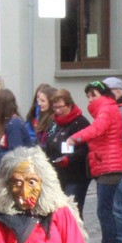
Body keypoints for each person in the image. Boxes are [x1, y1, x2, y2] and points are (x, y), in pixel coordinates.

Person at [67, 81, 122, 243]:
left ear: (102, 95)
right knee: (106, 210)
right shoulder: (107, 108)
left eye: (93, 95)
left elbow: (97, 129)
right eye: (88, 96)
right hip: (106, 164)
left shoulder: (107, 110)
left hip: (110, 166)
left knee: (105, 211)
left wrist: (74, 138)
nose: (90, 100)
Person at [41, 89, 91, 218]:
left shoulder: (80, 122)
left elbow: (85, 150)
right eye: (55, 107)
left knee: (72, 211)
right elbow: (48, 141)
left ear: (69, 105)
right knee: (57, 212)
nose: (57, 111)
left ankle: (77, 237)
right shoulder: (54, 122)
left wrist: (69, 159)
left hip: (75, 176)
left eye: (60, 107)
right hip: (57, 174)